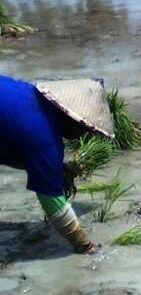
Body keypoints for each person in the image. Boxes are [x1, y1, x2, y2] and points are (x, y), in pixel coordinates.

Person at [0, 75, 114, 254]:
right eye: (84, 128)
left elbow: (14, 146)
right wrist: (84, 245)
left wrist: (55, 170)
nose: (82, 134)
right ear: (72, 118)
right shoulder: (45, 139)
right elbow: (53, 205)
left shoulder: (27, 94)